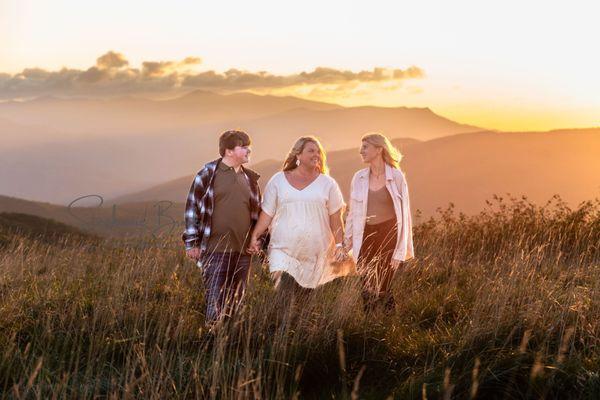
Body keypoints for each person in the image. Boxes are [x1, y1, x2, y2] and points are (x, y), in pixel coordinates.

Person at [248, 136, 351, 299]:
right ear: (298, 155)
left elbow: (335, 218)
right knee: (283, 296)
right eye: (311, 151)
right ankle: (280, 323)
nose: (316, 154)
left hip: (317, 255)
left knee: (307, 303)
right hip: (282, 251)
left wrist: (339, 244)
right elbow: (267, 214)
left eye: (318, 151)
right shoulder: (278, 180)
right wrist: (255, 236)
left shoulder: (328, 184)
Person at [182, 129, 261, 324]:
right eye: (243, 147)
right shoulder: (208, 175)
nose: (248, 150)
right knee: (215, 301)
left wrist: (258, 240)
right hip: (215, 250)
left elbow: (257, 214)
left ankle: (231, 344)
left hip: (243, 252)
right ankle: (213, 343)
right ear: (229, 151)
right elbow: (192, 207)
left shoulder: (250, 179)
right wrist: (191, 243)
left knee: (236, 302)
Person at [344, 133, 414, 311]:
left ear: (379, 149)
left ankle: (389, 324)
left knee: (384, 283)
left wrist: (400, 251)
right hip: (366, 233)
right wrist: (347, 242)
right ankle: (368, 323)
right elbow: (352, 213)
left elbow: (405, 215)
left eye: (365, 147)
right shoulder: (358, 178)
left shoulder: (397, 177)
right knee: (366, 282)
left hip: (389, 233)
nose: (361, 151)